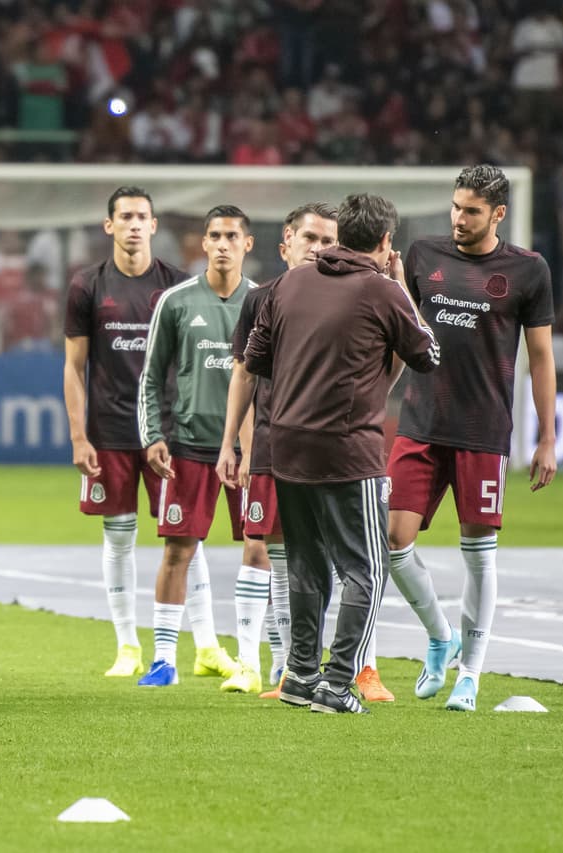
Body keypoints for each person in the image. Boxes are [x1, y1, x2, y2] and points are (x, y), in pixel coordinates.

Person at [240, 192, 440, 714]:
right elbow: (429, 354)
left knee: (306, 566)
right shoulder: (382, 291)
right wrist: (401, 286)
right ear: (385, 242)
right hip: (348, 451)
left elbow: (256, 359)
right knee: (365, 571)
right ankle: (336, 684)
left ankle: (300, 675)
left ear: (341, 235)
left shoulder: (287, 285)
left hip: (286, 447)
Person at [386, 165, 557, 712]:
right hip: (419, 423)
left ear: (498, 213)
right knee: (392, 541)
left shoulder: (528, 270)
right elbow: (404, 336)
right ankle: (441, 636)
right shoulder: (423, 256)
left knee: (479, 555)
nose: (459, 219)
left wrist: (547, 437)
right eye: (456, 207)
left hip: (482, 431)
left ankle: (470, 675)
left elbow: (541, 357)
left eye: (472, 211)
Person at [218, 202, 397, 702]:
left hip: (320, 446)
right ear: (286, 245)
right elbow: (245, 373)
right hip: (283, 445)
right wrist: (233, 442)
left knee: (333, 562)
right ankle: (295, 671)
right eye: (310, 239)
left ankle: (354, 669)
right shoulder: (267, 296)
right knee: (294, 560)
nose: (319, 249)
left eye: (328, 240)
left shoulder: (355, 293)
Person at [63, 185, 229, 678]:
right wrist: (78, 436)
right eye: (125, 217)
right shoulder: (87, 287)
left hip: (169, 433)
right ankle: (127, 647)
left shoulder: (179, 287)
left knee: (186, 537)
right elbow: (73, 366)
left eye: (142, 217)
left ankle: (206, 646)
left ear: (154, 226)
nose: (134, 225)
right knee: (119, 537)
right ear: (109, 226)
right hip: (110, 431)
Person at [136, 205, 259, 691]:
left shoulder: (264, 301)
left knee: (262, 549)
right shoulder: (177, 301)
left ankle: (259, 661)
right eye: (215, 236)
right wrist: (153, 435)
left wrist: (260, 445)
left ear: (247, 244)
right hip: (189, 447)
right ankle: (164, 660)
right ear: (203, 243)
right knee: (177, 550)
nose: (223, 244)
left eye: (232, 236)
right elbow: (151, 377)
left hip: (249, 453)